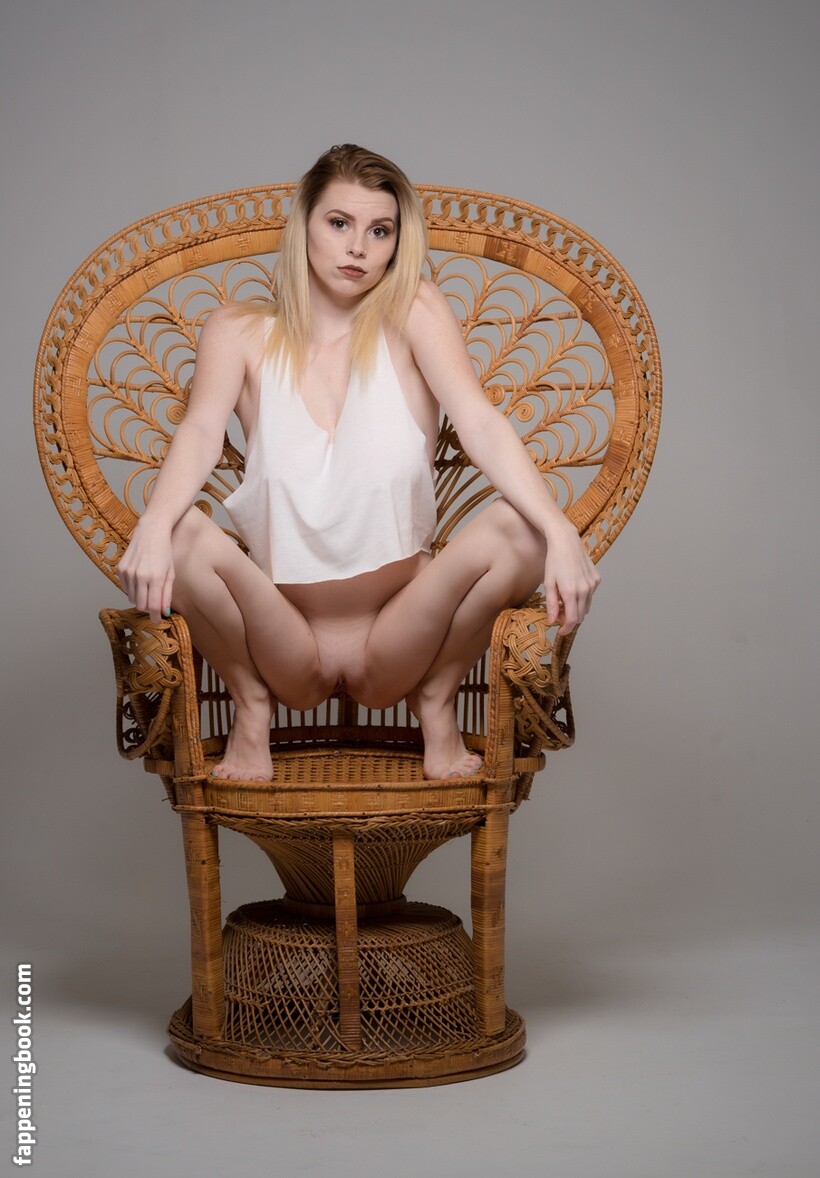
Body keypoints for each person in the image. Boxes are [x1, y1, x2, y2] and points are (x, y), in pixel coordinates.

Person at [117, 145, 600, 782]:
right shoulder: (236, 331)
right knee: (176, 532)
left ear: (398, 242)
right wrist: (154, 524)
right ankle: (251, 704)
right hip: (281, 639)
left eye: (380, 231)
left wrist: (561, 530)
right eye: (339, 222)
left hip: (401, 634)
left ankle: (436, 698)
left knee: (525, 529)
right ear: (304, 225)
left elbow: (479, 420)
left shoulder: (414, 312)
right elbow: (201, 431)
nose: (358, 248)